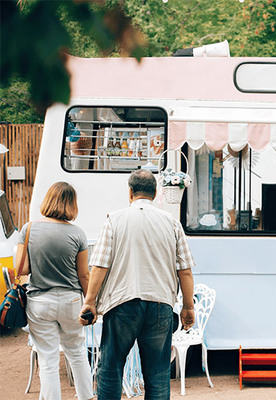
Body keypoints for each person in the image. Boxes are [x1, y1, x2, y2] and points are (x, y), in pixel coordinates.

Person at [81, 169, 196, 399]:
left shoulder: (114, 220)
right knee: (157, 374)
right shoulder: (172, 223)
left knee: (111, 370)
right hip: (160, 307)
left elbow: (100, 266)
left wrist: (90, 303)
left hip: (122, 304)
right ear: (155, 194)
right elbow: (185, 271)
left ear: (130, 192)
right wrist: (188, 306)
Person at [17, 181, 93, 400]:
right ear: (72, 204)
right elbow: (83, 275)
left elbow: (21, 269)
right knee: (77, 353)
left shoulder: (29, 229)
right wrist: (90, 303)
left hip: (40, 301)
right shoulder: (78, 234)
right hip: (71, 301)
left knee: (48, 359)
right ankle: (86, 397)